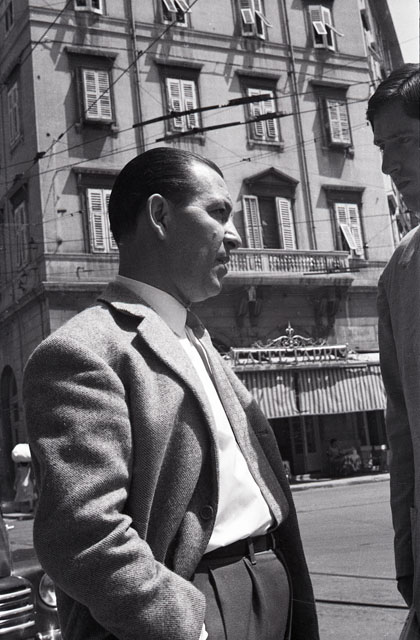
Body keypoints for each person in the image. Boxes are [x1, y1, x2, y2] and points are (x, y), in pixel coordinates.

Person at [23, 148, 319, 640]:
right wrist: (185, 626)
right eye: (217, 212)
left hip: (269, 585)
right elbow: (81, 533)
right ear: (159, 215)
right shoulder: (83, 352)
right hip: (199, 602)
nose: (235, 235)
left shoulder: (195, 335)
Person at [367, 63, 420, 636]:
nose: (388, 165)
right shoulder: (400, 269)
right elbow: (401, 423)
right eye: (382, 147)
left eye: (402, 141)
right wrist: (408, 553)